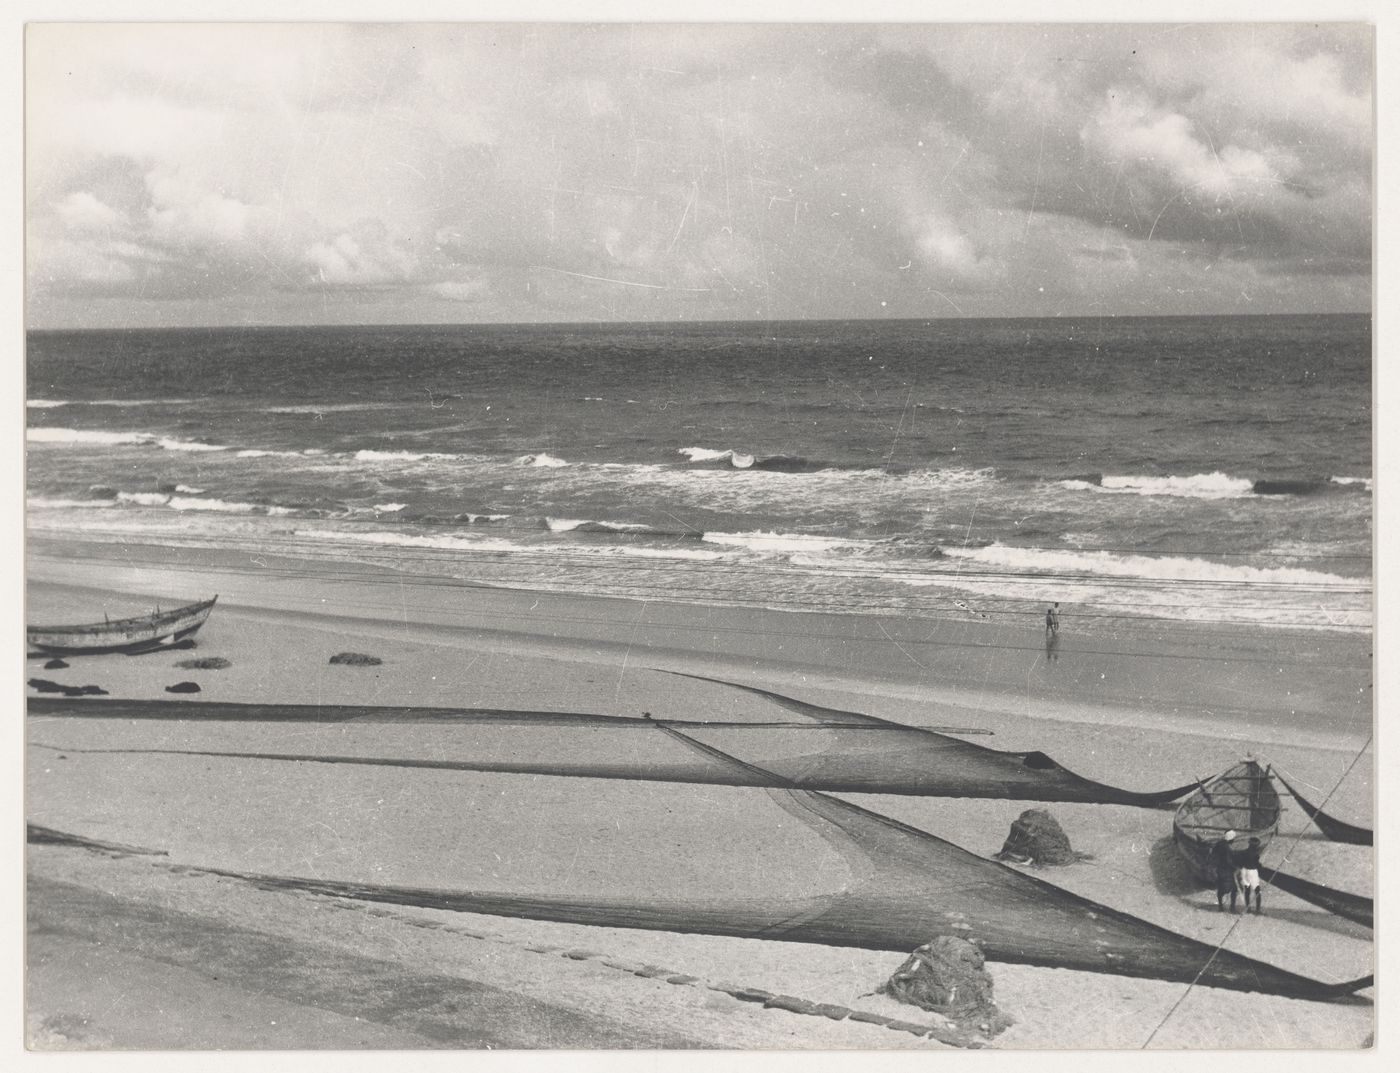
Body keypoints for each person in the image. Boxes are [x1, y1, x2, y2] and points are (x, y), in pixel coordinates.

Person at [1210, 830, 1238, 912]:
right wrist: (1235, 867)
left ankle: (1220, 906)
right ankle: (1232, 908)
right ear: (1231, 839)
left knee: (1221, 888)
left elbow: (1213, 853)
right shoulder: (1227, 849)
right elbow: (1228, 861)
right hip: (1226, 871)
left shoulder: (1219, 844)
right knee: (1234, 889)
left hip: (1219, 869)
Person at [1235, 836, 1264, 914]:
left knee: (1247, 890)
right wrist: (1261, 867)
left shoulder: (1244, 852)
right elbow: (1257, 864)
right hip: (1252, 872)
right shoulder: (1256, 854)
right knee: (1257, 891)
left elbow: (1240, 863)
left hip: (1244, 871)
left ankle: (1248, 908)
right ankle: (1258, 910)